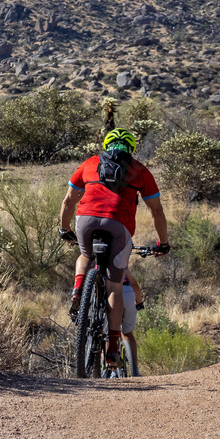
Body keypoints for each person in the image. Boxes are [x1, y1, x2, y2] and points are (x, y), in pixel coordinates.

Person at [59, 128, 169, 368]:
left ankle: (78, 290)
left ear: (107, 144)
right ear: (131, 148)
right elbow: (157, 210)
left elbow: (69, 200)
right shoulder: (140, 170)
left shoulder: (90, 162)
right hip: (119, 224)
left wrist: (63, 228)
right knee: (114, 285)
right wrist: (163, 243)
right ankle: (111, 350)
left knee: (85, 255)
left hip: (86, 219)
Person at [121, 268, 144, 377]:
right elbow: (134, 285)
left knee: (106, 336)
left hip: (110, 293)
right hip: (128, 293)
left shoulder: (98, 265)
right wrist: (138, 303)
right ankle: (135, 370)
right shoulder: (122, 265)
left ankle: (113, 372)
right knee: (128, 333)